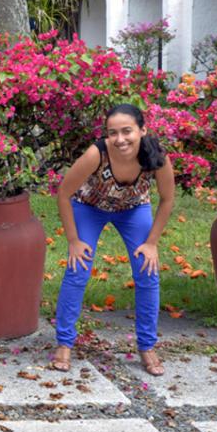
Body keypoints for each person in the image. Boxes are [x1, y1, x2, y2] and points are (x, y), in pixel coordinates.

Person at [52, 104, 175, 376]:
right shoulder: (96, 154)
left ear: (142, 130)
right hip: (89, 208)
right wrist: (73, 240)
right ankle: (64, 343)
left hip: (133, 209)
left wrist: (152, 243)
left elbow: (167, 199)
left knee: (148, 271)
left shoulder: (157, 157)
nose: (120, 139)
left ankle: (147, 346)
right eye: (113, 133)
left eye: (127, 131)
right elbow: (63, 194)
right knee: (77, 270)